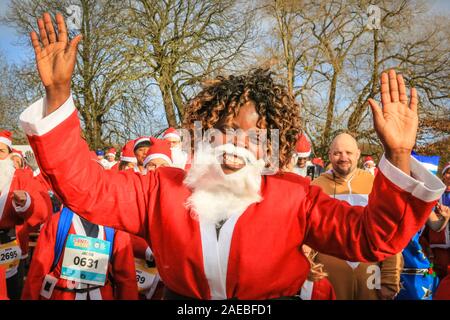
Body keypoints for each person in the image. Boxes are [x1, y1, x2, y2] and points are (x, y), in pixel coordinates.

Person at [19, 13, 445, 299]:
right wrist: (58, 96)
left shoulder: (296, 196)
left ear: (272, 144)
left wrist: (399, 152)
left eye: (254, 133)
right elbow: (85, 189)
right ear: (202, 133)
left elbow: (372, 238)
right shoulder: (158, 191)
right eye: (223, 128)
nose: (236, 142)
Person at [312, 133, 404, 300]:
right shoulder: (316, 186)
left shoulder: (376, 183)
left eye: (348, 152)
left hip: (370, 274)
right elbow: (306, 235)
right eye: (337, 153)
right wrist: (306, 271)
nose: (343, 157)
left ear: (358, 154)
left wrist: (390, 278)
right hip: (328, 276)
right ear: (329, 155)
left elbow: (390, 231)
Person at [22, 207, 138, 300]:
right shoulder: (57, 222)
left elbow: (127, 278)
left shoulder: (115, 227)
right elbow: (37, 273)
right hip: (62, 294)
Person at [0, 130, 52, 299]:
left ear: (9, 154)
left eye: (1, 151)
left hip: (10, 243)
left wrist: (25, 202)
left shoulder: (22, 176)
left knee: (11, 291)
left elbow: (43, 207)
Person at [423, 162, 450, 279]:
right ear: (444, 175)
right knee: (439, 272)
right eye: (448, 172)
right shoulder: (436, 192)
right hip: (439, 241)